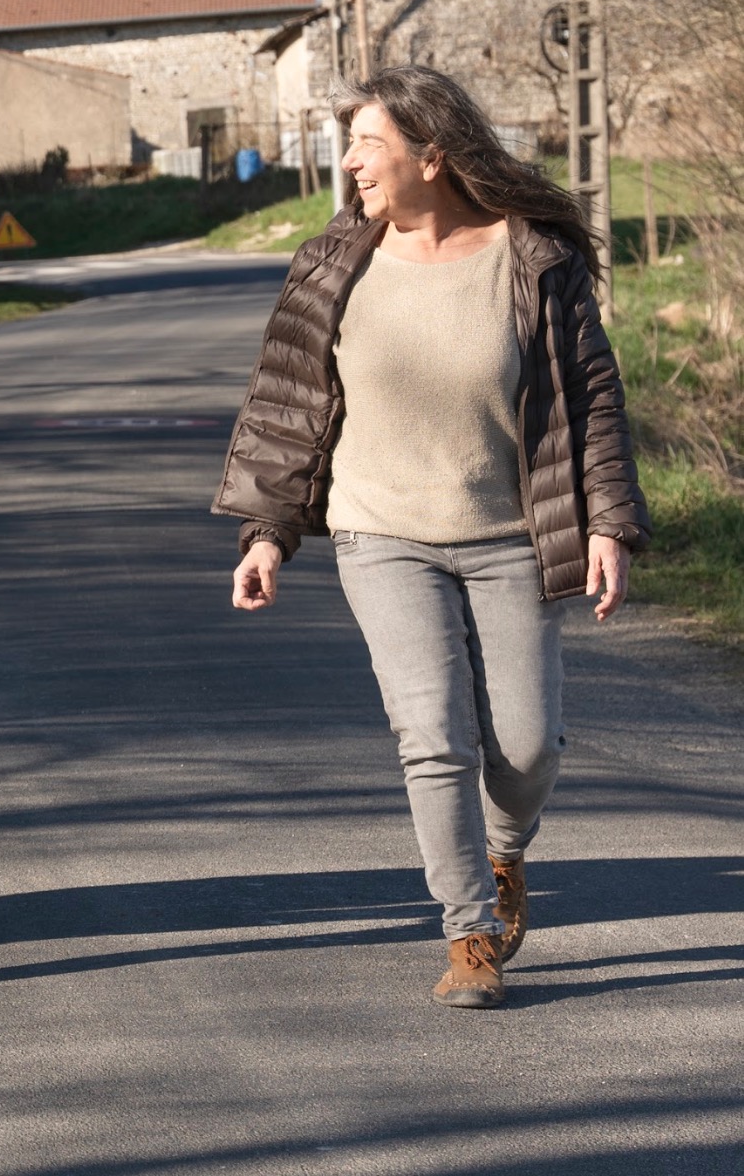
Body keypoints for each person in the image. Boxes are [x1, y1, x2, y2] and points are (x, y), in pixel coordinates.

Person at [215, 64, 647, 1010]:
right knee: (433, 736)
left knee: (526, 748)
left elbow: (593, 399)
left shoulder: (532, 259)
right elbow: (289, 408)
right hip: (382, 535)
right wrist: (266, 532)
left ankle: (503, 853)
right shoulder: (336, 262)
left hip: (512, 534)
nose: (353, 164)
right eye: (352, 146)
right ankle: (469, 932)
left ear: (432, 154)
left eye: (369, 145)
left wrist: (609, 520)